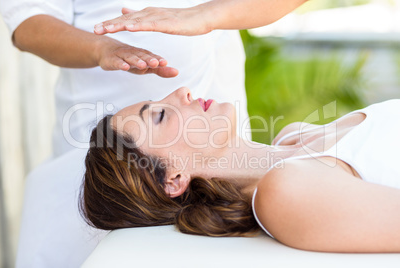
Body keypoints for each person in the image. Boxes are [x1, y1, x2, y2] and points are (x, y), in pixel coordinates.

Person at [81, 87, 400, 253]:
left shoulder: (294, 135)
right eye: (161, 115)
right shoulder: (285, 192)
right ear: (174, 178)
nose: (183, 92)